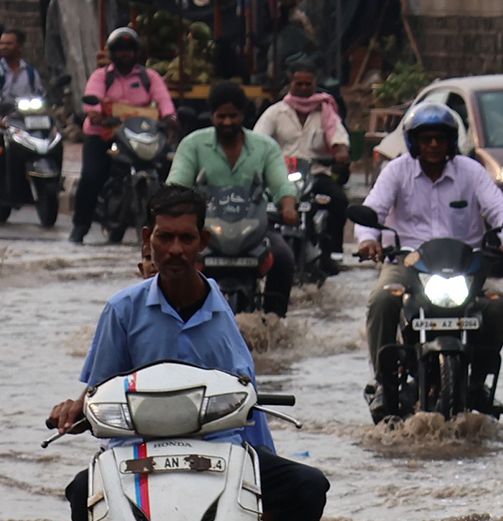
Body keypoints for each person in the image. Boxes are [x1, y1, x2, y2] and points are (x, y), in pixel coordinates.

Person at [48, 184, 330, 521]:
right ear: (149, 240)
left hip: (217, 453)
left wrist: (260, 455)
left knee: (308, 487)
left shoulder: (220, 312)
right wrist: (75, 408)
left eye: (186, 238)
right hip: (138, 458)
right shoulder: (122, 310)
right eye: (165, 237)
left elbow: (243, 395)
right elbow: (98, 390)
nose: (175, 249)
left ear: (204, 241)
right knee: (79, 492)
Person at [355, 101, 503, 422]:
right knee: (381, 300)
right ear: (413, 142)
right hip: (407, 262)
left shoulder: (471, 172)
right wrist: (367, 240)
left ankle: (479, 381)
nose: (433, 145)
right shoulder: (397, 171)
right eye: (426, 139)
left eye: (440, 139)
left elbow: (501, 211)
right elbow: (372, 212)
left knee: (496, 305)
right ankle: (383, 381)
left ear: (451, 142)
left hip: (465, 265)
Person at [167, 80, 299, 316]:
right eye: (221, 116)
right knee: (173, 258)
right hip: (205, 230)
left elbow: (282, 185)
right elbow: (177, 184)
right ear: (212, 116)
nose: (227, 122)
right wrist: (172, 208)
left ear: (243, 115)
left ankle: (275, 321)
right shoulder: (193, 144)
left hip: (255, 229)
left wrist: (288, 207)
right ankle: (176, 315)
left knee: (284, 257)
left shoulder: (265, 147)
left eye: (233, 116)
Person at [69, 27, 179, 244]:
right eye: (120, 50)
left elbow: (165, 102)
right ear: (112, 53)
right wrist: (97, 115)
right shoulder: (101, 76)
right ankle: (80, 227)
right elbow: (92, 99)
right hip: (104, 135)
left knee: (169, 168)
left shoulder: (150, 77)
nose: (124, 54)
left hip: (140, 134)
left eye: (129, 50)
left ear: (136, 52)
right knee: (92, 176)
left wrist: (170, 118)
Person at [253, 58, 350, 275]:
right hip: (280, 176)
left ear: (315, 83)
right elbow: (257, 141)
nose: (304, 88)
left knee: (339, 199)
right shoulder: (275, 112)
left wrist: (341, 152)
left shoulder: (326, 112)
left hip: (316, 174)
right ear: (290, 83)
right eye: (299, 84)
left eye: (309, 84)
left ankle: (332, 252)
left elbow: (340, 139)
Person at [0, 28, 43, 107]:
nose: (4, 47)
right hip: (3, 115)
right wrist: (3, 105)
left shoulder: (31, 72)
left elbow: (39, 93)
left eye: (9, 44)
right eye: (1, 43)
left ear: (20, 46)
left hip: (28, 113)